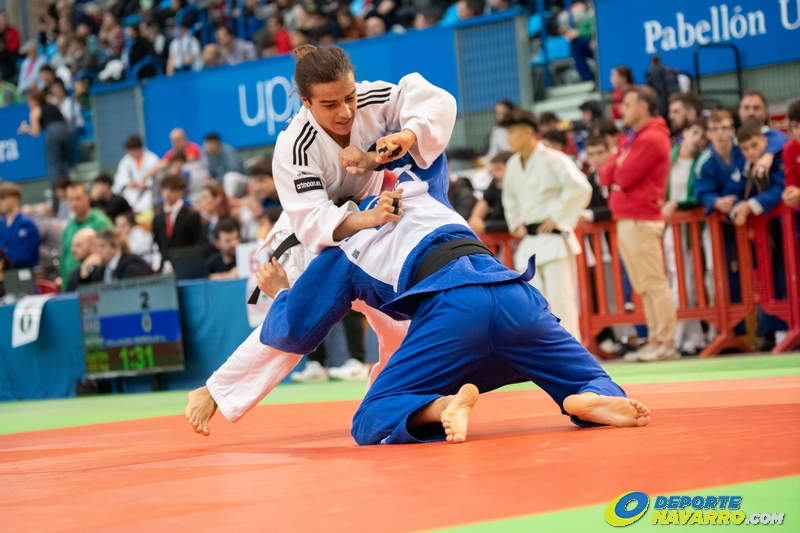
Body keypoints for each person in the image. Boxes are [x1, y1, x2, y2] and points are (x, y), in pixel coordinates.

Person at [235, 151, 651, 445]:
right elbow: (431, 140)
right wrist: (387, 145)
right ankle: (589, 397)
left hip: (454, 314)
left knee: (371, 417)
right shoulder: (426, 193)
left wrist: (282, 292)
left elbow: (297, 331)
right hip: (516, 294)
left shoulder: (343, 243)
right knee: (586, 377)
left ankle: (443, 407)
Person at [185, 44, 457, 431]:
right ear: (306, 102)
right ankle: (214, 391)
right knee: (297, 320)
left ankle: (395, 401)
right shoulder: (294, 146)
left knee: (400, 321)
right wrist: (369, 217)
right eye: (329, 104)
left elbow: (436, 100)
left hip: (372, 229)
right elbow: (314, 220)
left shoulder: (374, 99)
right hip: (310, 242)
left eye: (349, 97)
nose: (345, 111)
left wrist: (409, 134)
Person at [598, 85, 677, 362]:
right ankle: (656, 340)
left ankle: (665, 342)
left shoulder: (652, 137)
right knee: (644, 285)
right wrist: (618, 162)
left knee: (653, 283)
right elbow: (605, 175)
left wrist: (618, 163)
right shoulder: (634, 138)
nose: (622, 109)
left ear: (644, 107)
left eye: (628, 105)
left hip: (642, 219)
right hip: (629, 219)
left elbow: (624, 176)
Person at [502, 109, 592, 341]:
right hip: (531, 241)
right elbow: (509, 198)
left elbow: (580, 187)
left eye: (512, 132)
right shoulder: (513, 164)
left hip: (554, 238)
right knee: (532, 306)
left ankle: (572, 354)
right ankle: (544, 354)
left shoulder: (553, 158)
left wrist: (558, 217)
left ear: (527, 132)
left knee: (562, 301)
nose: (508, 138)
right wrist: (515, 223)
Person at [662, 119, 707, 355]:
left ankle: (681, 338)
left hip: (689, 229)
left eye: (702, 135)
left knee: (686, 282)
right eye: (694, 132)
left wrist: (677, 205)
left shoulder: (700, 162)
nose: (697, 138)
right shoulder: (669, 159)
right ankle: (690, 337)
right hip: (667, 228)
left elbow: (698, 195)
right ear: (685, 132)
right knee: (673, 281)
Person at [17, 90, 72, 201]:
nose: (29, 104)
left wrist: (26, 129)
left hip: (53, 133)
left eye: (30, 101)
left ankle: (57, 198)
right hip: (66, 132)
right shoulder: (53, 106)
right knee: (65, 165)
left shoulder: (36, 110)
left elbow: (35, 132)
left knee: (54, 166)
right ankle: (69, 192)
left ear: (36, 101)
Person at [60, 182, 113, 284]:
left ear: (87, 198)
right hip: (70, 284)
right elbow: (63, 257)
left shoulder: (101, 222)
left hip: (92, 283)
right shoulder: (68, 228)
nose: (74, 204)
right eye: (70, 200)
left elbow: (111, 251)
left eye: (78, 199)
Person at [152, 174, 205, 270]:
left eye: (172, 190)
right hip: (165, 266)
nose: (167, 193)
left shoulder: (191, 216)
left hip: (186, 265)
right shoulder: (158, 218)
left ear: (181, 192)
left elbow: (196, 243)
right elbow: (158, 242)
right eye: (165, 189)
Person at [77, 228, 154, 284]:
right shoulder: (100, 268)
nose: (98, 250)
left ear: (116, 247)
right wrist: (85, 269)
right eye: (96, 246)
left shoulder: (133, 264)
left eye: (102, 246)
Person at [113, 135, 161, 214]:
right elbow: (120, 177)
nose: (128, 153)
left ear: (138, 149)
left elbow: (156, 178)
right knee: (124, 201)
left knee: (146, 203)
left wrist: (145, 184)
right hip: (131, 191)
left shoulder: (152, 159)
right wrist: (128, 183)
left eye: (130, 151)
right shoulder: (126, 160)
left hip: (148, 191)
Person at [468, 151, 511, 234]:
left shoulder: (521, 188)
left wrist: (487, 226)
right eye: (493, 170)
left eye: (499, 169)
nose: (495, 175)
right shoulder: (495, 182)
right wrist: (475, 221)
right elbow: (485, 201)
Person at [0, 183, 40, 269]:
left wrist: (4, 260)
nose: (0, 202)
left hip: (23, 272)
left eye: (3, 198)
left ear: (15, 198)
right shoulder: (1, 225)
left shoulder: (26, 225)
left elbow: (22, 255)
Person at [203, 133, 247, 198]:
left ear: (215, 143)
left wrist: (218, 181)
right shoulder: (210, 155)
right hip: (222, 181)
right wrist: (211, 181)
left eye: (208, 144)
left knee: (229, 177)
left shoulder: (228, 151)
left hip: (240, 179)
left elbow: (234, 170)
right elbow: (210, 173)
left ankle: (230, 200)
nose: (206, 147)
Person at [783, 101, 800, 208]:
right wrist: (790, 193)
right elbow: (791, 179)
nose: (799, 132)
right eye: (796, 126)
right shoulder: (789, 149)